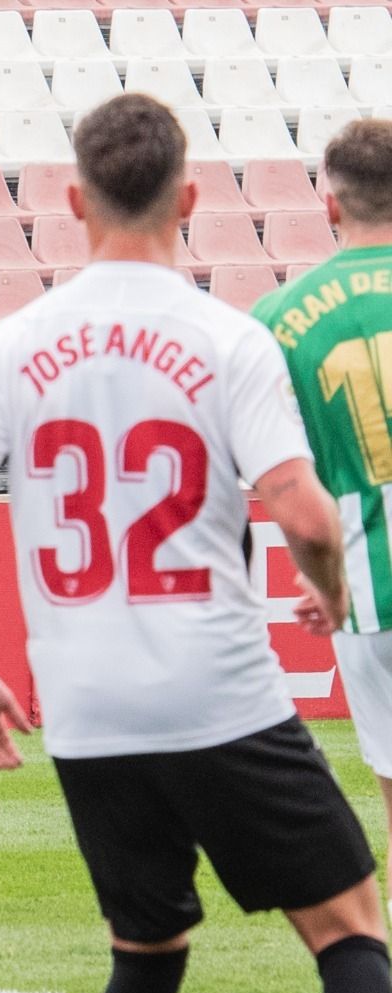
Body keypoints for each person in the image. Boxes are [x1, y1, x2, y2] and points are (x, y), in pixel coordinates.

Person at [0, 93, 392, 993]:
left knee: (144, 956)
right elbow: (301, 515)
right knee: (347, 932)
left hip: (87, 709)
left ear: (70, 199)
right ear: (189, 196)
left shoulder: (10, 346)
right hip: (218, 690)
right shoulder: (226, 338)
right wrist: (332, 587)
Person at [252, 118, 392, 925]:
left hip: (371, 592)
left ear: (330, 205)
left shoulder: (280, 316)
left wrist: (323, 579)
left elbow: (282, 472)